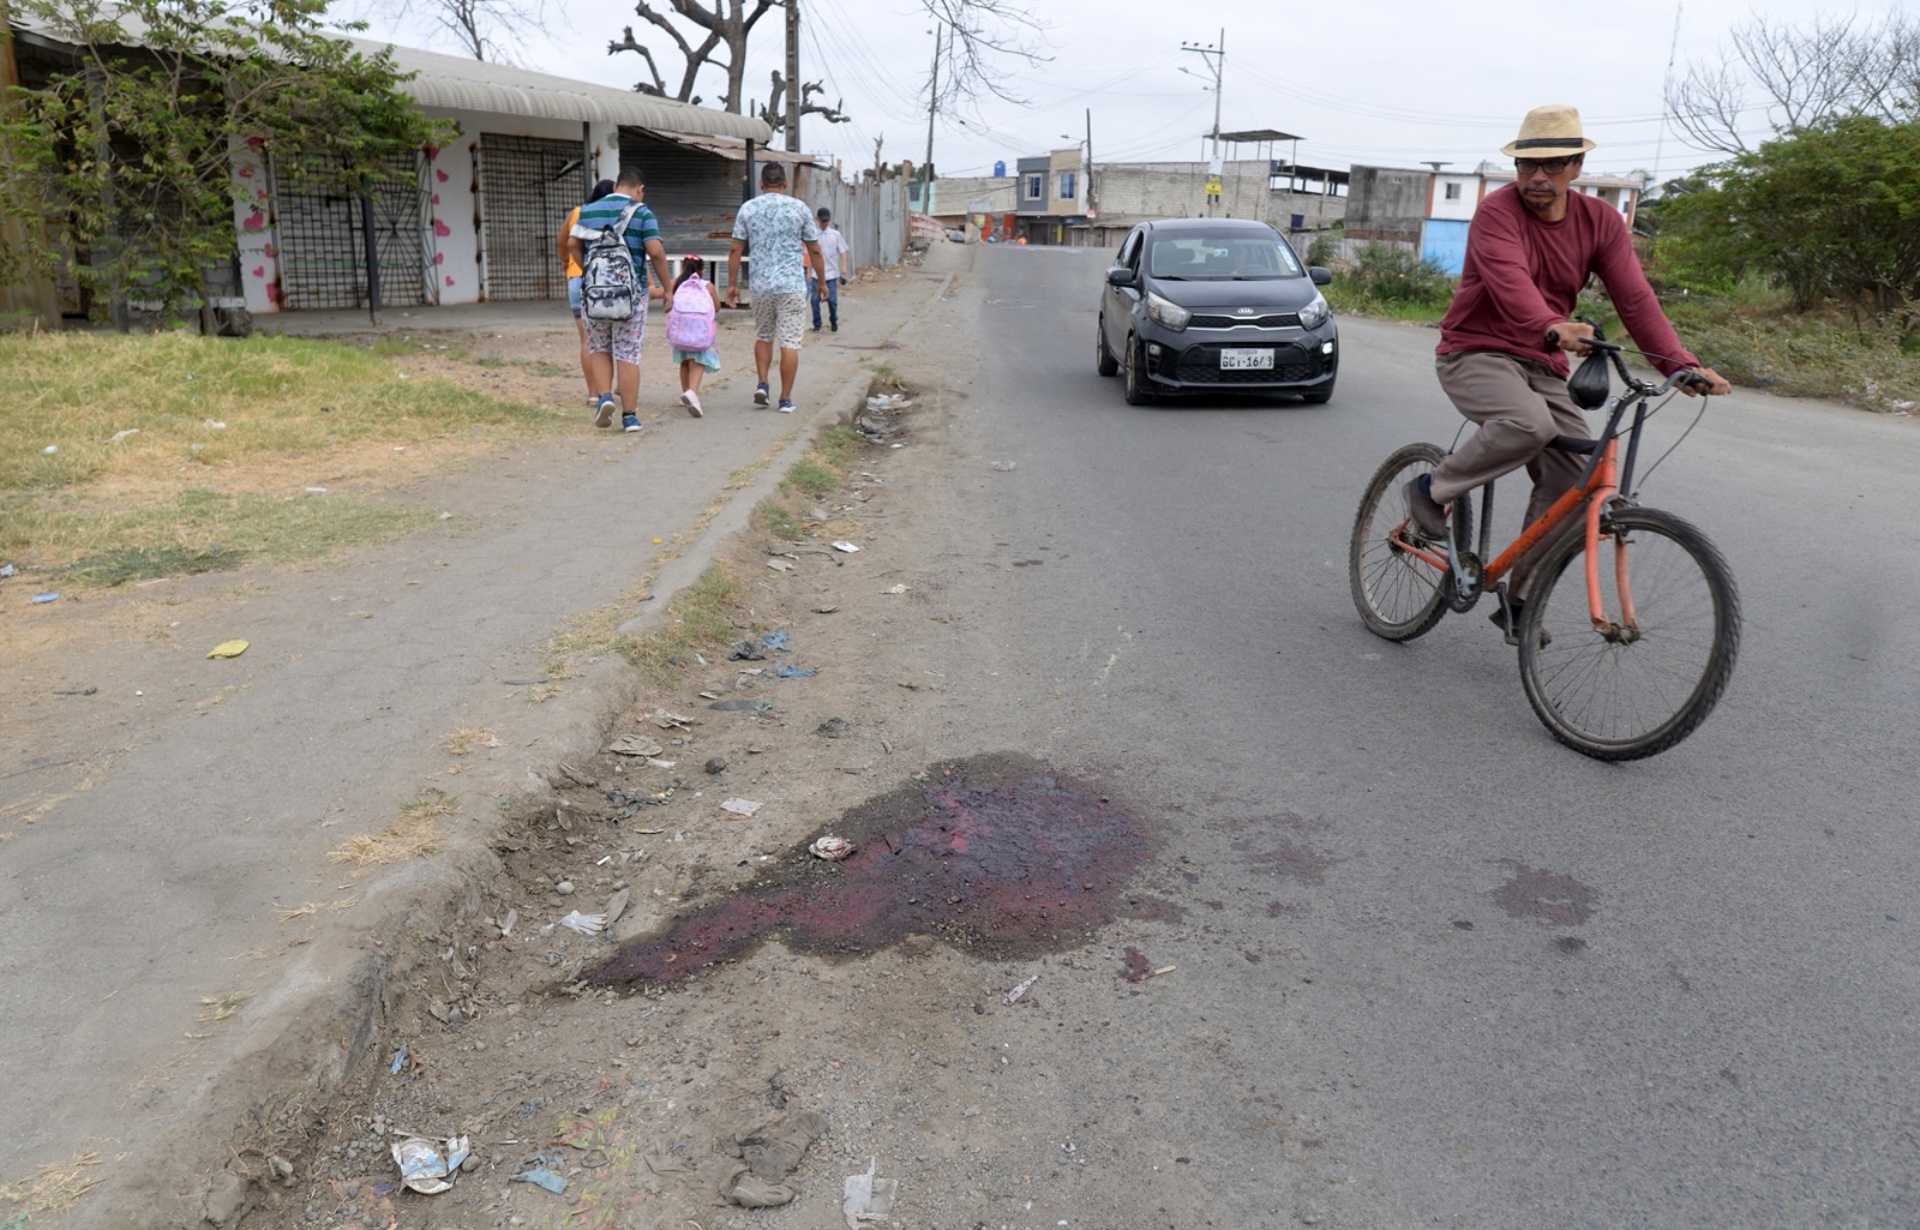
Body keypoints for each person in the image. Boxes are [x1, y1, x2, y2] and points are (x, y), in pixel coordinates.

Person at [1404, 104, 1730, 635]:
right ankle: (1432, 489)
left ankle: (1521, 598)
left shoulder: (1600, 222)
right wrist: (1553, 324)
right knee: (1530, 425)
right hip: (1475, 351)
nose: (1537, 176)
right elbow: (1510, 282)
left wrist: (1683, 366)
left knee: (1577, 480)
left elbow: (1636, 301)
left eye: (1553, 165)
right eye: (1527, 165)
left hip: (1542, 362)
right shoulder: (1497, 212)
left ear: (1577, 167)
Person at [567, 164, 672, 433]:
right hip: (631, 296)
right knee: (627, 353)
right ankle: (630, 416)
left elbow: (571, 245)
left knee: (599, 347)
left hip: (594, 295)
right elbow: (656, 252)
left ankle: (604, 397)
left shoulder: (589, 210)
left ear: (615, 187)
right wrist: (668, 288)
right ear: (640, 189)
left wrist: (588, 269)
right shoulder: (643, 212)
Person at [725, 162, 825, 413]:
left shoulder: (748, 209)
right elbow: (814, 248)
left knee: (764, 335)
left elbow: (736, 249)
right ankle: (786, 398)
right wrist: (822, 281)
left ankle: (762, 384)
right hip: (791, 285)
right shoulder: (799, 208)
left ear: (761, 184)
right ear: (785, 184)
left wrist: (732, 285)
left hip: (761, 285)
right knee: (789, 341)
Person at [560, 179, 615, 405]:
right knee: (613, 338)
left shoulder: (578, 213)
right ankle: (609, 391)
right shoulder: (615, 215)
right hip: (607, 280)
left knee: (587, 340)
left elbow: (562, 242)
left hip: (577, 279)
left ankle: (594, 394)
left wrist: (568, 265)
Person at [665, 255, 721, 418]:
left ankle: (685, 394)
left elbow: (667, 302)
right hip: (700, 334)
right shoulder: (707, 286)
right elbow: (716, 307)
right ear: (702, 271)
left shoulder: (676, 283)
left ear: (683, 268)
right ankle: (692, 394)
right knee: (697, 363)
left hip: (679, 333)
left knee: (684, 363)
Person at [808, 206, 853, 332]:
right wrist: (809, 272)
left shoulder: (835, 235)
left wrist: (843, 266)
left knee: (832, 301)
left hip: (831, 273)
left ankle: (833, 320)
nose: (824, 224)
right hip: (816, 274)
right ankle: (817, 324)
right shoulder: (813, 235)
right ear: (817, 220)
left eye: (826, 221)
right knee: (814, 300)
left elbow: (842, 251)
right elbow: (811, 254)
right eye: (822, 221)